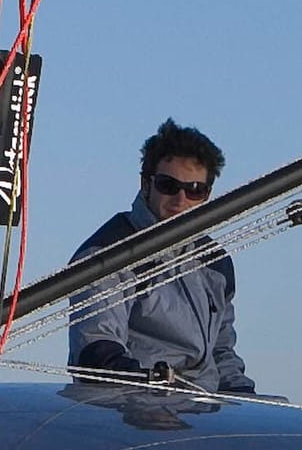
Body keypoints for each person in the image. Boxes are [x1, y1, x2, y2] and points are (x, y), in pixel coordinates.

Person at [68, 118, 254, 394]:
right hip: (131, 407)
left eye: (194, 190)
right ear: (146, 184)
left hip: (203, 409)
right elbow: (96, 347)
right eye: (168, 185)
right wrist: (152, 385)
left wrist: (243, 399)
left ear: (207, 196)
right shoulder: (108, 254)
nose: (181, 199)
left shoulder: (215, 262)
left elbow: (222, 352)